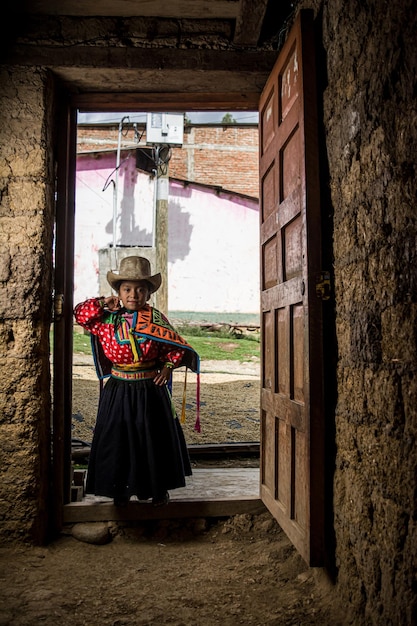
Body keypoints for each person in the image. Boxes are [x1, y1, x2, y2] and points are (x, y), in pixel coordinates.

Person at [74, 256, 200, 507]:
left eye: (141, 289)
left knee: (152, 438)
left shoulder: (155, 319)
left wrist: (166, 367)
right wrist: (102, 303)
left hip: (149, 389)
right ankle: (119, 490)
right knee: (118, 437)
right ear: (118, 292)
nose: (134, 294)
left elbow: (175, 346)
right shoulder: (107, 319)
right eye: (127, 289)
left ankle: (157, 489)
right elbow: (80, 314)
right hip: (118, 388)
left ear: (148, 293)